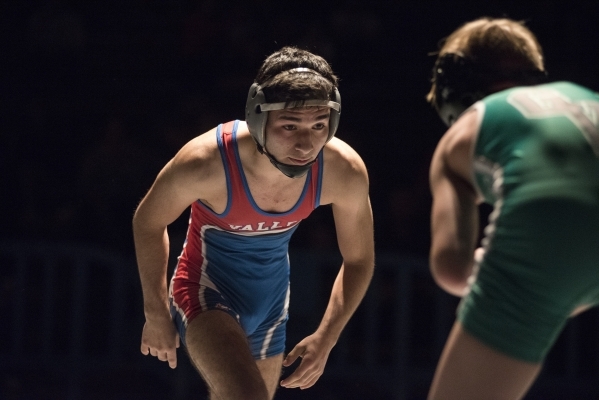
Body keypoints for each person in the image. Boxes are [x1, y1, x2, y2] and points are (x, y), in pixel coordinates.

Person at [132, 46, 375, 400]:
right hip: (205, 291)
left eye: (319, 125)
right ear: (259, 118)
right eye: (289, 126)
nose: (306, 143)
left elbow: (359, 259)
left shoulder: (343, 170)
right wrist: (155, 312)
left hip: (271, 305)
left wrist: (328, 335)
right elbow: (148, 222)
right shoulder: (206, 162)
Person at [425, 17, 599, 399]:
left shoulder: (466, 128)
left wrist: (500, 267)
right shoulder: (583, 94)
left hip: (550, 237)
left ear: (454, 89)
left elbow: (452, 268)